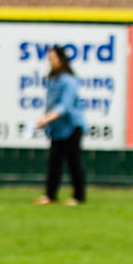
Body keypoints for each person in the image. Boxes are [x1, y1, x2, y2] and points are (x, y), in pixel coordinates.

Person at [33, 45, 87, 206]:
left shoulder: (69, 81)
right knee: (54, 162)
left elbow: (64, 106)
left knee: (74, 162)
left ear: (61, 59)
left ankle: (79, 197)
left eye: (53, 59)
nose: (50, 62)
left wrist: (46, 118)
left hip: (72, 126)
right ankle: (50, 195)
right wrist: (47, 120)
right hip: (57, 128)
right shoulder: (53, 79)